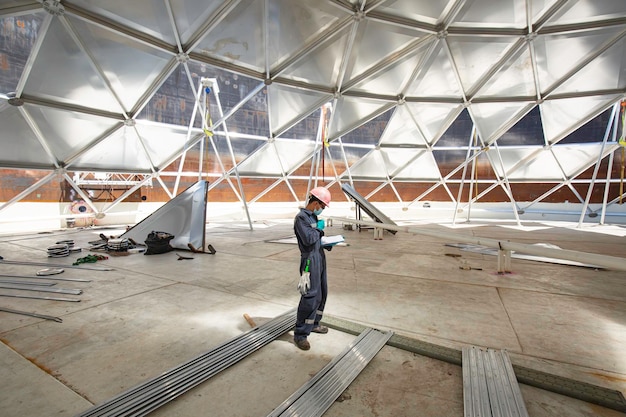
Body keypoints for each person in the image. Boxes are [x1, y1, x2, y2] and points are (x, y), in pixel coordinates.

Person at [293, 186, 332, 350]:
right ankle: (300, 334)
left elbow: (316, 238)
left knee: (322, 293)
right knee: (310, 296)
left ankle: (314, 323)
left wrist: (327, 242)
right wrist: (319, 230)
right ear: (316, 203)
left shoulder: (312, 219)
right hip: (309, 261)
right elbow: (309, 238)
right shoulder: (301, 218)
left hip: (319, 257)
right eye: (322, 206)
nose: (322, 209)